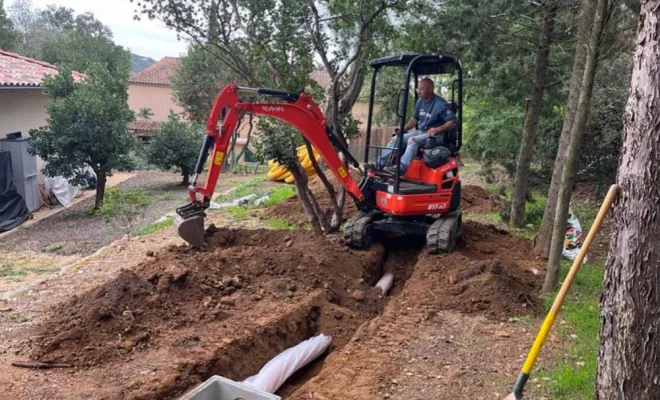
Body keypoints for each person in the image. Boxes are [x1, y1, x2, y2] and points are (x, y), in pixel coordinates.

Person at [377, 78, 457, 176]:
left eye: (421, 89)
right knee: (397, 139)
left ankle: (401, 169)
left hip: (435, 136)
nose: (419, 92)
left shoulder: (440, 104)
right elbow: (414, 119)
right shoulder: (420, 102)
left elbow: (452, 122)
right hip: (421, 131)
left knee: (412, 140)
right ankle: (379, 164)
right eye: (417, 89)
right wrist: (403, 129)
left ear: (430, 89)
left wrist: (437, 129)